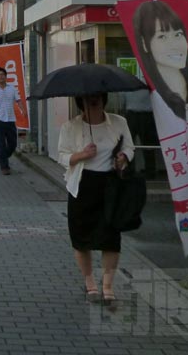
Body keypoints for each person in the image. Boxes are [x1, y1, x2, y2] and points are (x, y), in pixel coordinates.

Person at [58, 92, 134, 304]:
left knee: (111, 238)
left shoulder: (119, 123)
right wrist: (82, 155)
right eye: (89, 98)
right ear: (80, 101)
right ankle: (90, 282)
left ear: (104, 99)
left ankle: (108, 286)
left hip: (110, 185)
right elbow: (62, 155)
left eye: (98, 97)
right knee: (81, 238)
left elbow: (129, 147)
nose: (94, 100)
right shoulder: (70, 127)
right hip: (82, 186)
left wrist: (124, 157)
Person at [132, 0, 188, 180]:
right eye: (162, 36)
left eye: (178, 34)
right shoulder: (158, 97)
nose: (175, 44)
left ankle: (151, 170)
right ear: (145, 44)